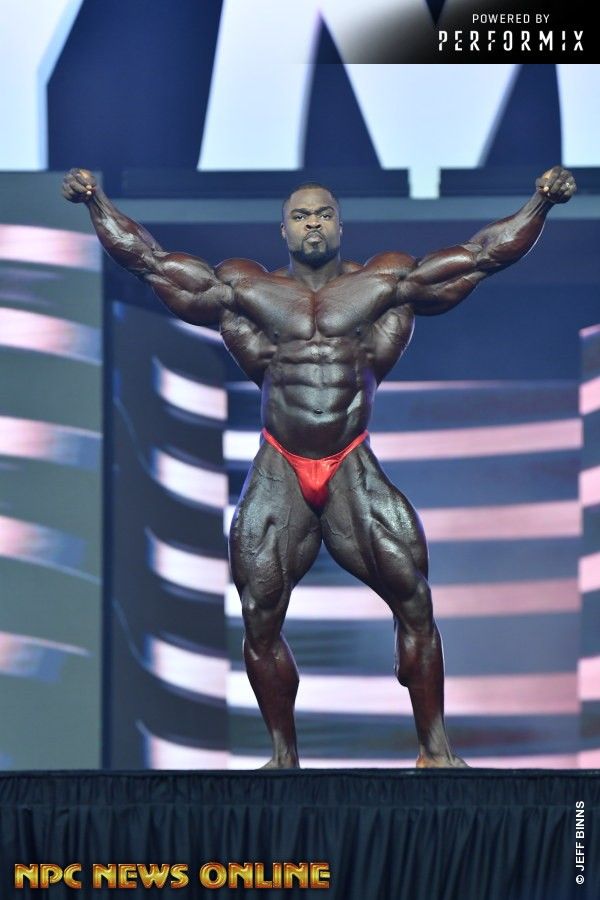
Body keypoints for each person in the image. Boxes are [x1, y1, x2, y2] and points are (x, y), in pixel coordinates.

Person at [63, 166, 576, 768]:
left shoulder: (384, 282)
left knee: (414, 600)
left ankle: (434, 750)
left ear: (340, 226)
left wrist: (540, 202)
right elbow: (149, 261)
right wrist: (96, 201)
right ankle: (284, 757)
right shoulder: (245, 289)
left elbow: (482, 256)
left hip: (349, 461)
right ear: (283, 230)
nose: (313, 224)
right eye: (301, 216)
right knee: (259, 615)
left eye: (324, 214)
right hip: (280, 463)